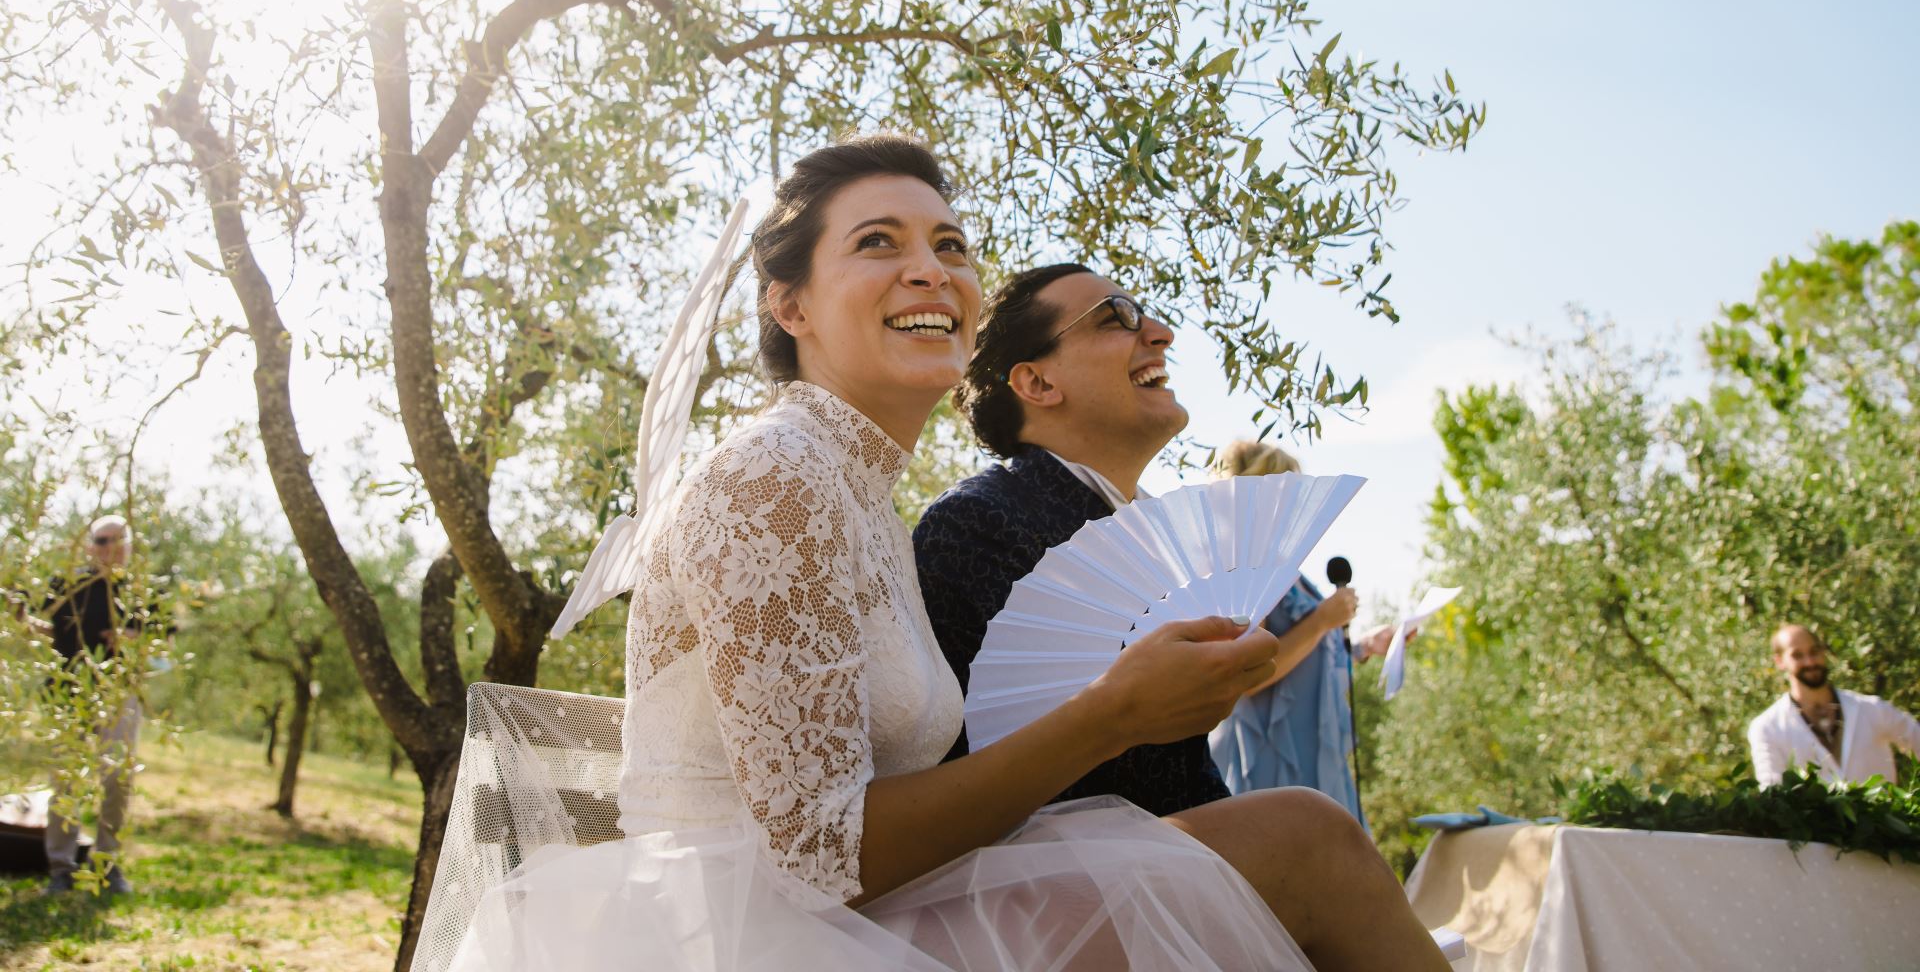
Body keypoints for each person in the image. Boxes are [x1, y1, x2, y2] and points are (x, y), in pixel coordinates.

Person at [423, 138, 1449, 972]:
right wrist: (1113, 712)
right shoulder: (774, 474)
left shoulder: (857, 489)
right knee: (1307, 845)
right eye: (879, 241)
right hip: (767, 942)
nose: (932, 268)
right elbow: (821, 856)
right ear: (790, 305)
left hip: (864, 914)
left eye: (951, 245)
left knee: (1288, 845)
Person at [912, 263, 1231, 814]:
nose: (1159, 333)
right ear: (1037, 383)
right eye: (1116, 319)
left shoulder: (1159, 538)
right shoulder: (976, 527)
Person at [1205, 441, 1397, 824]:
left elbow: (1301, 657)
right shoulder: (1239, 566)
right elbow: (1244, 675)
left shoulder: (1283, 565)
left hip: (1310, 752)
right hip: (1269, 756)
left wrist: (1361, 648)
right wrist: (1322, 620)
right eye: (1287, 492)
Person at [29, 515, 147, 895]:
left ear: (128, 545)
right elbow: (49, 628)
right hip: (68, 694)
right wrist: (21, 619)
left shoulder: (139, 591)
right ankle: (61, 869)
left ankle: (107, 865)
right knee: (65, 784)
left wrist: (129, 638)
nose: (108, 546)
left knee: (117, 780)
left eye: (116, 539)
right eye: (101, 539)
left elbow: (163, 645)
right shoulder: (68, 583)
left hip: (118, 696)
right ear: (89, 545)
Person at [1746, 623, 1920, 787]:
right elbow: (1772, 793)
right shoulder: (1767, 728)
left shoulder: (1872, 709)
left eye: (1814, 652)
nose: (1809, 662)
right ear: (1779, 661)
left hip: (1883, 817)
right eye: (1797, 655)